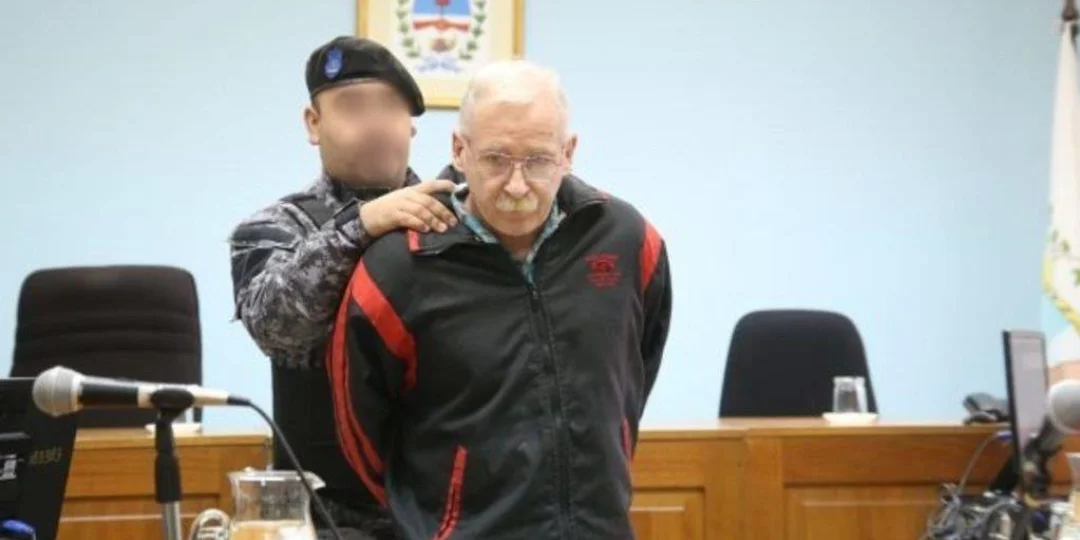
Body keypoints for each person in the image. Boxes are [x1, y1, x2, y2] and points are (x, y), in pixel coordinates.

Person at [326, 60, 673, 539]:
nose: (516, 185)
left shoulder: (627, 239)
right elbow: (361, 434)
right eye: (495, 159)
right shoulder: (398, 266)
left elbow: (634, 374)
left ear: (568, 153)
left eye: (538, 160)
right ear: (459, 150)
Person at [228, 36, 458, 538]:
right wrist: (363, 225)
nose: (375, 125)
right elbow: (277, 328)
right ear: (314, 123)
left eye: (389, 108)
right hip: (329, 518)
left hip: (448, 512)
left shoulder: (455, 224)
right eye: (353, 108)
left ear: (411, 123)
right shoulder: (273, 229)